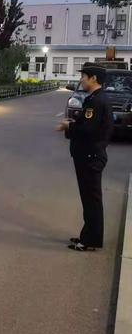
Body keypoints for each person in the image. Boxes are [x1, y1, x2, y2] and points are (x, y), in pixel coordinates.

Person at [56, 63, 113, 252]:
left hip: (90, 156)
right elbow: (88, 124)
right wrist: (73, 123)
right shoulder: (97, 98)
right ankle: (88, 235)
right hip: (90, 155)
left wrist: (68, 127)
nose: (81, 80)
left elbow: (88, 129)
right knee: (89, 199)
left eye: (84, 76)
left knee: (91, 200)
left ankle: (90, 240)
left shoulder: (96, 101)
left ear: (93, 79)